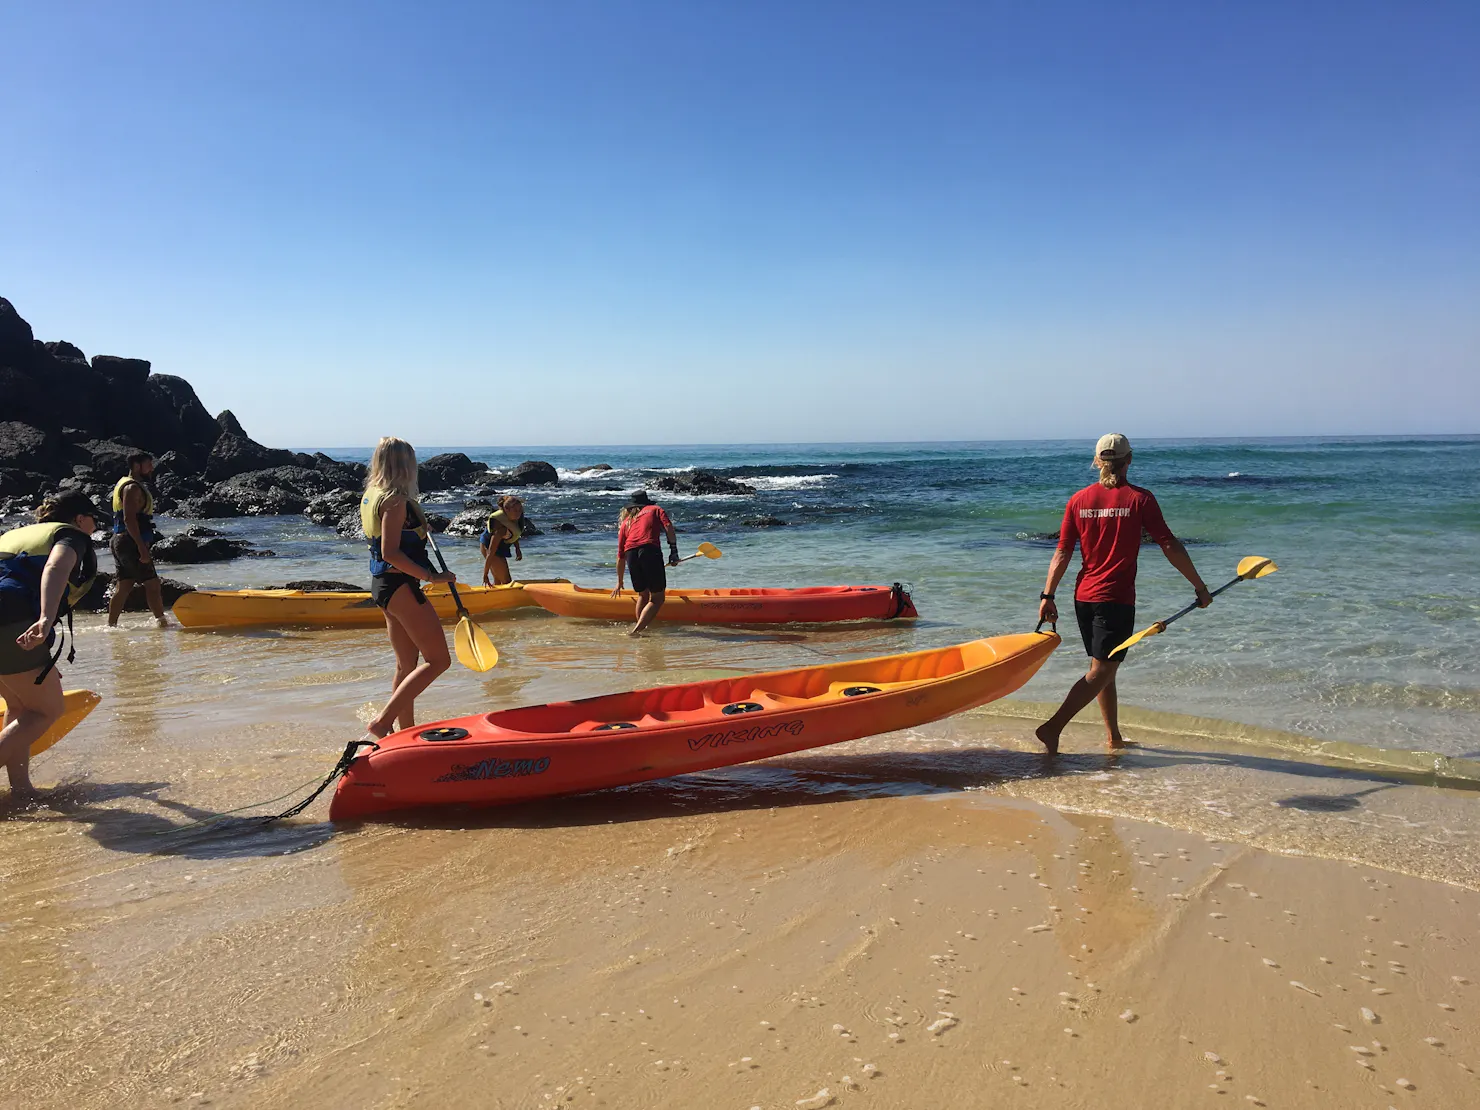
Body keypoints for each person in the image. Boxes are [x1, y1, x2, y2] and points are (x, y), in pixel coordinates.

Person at [1035, 434, 1212, 754]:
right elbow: (1169, 545)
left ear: (1097, 462)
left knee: (1103, 668)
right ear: (1129, 460)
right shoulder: (1140, 499)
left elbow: (1062, 552)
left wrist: (1047, 596)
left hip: (1083, 598)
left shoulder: (1078, 499)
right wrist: (1199, 587)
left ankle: (1113, 737)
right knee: (1102, 669)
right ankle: (1052, 727)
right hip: (1114, 599)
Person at [0, 492, 101, 799]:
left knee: (19, 706)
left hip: (7, 622)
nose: (95, 528)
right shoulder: (71, 537)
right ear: (79, 519)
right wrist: (45, 619)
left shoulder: (13, 535)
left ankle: (20, 789)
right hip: (11, 620)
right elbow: (55, 569)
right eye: (93, 520)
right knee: (47, 709)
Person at [359, 437, 456, 738]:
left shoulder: (372, 494)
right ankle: (383, 721)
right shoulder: (396, 501)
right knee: (439, 660)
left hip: (383, 586)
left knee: (406, 665)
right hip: (401, 586)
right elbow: (391, 552)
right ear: (405, 465)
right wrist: (432, 577)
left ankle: (404, 732)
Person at [107, 451, 169, 628]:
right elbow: (129, 519)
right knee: (153, 584)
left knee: (124, 585)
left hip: (120, 541)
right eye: (148, 464)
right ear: (136, 466)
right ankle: (162, 623)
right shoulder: (132, 487)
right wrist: (141, 548)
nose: (152, 468)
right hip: (130, 542)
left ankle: (111, 626)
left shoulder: (128, 484)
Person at [611, 490, 679, 636]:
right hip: (649, 550)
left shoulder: (625, 523)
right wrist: (673, 551)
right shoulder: (656, 509)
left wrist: (619, 581)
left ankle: (642, 629)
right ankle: (636, 631)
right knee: (657, 598)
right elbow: (668, 528)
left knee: (643, 595)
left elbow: (620, 555)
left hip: (631, 555)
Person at [479, 495, 525, 586]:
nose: (518, 513)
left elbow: (514, 533)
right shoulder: (501, 528)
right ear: (506, 509)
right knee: (507, 581)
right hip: (488, 546)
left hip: (499, 546)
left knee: (498, 580)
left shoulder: (514, 518)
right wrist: (485, 574)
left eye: (520, 510)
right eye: (515, 510)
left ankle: (494, 597)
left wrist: (517, 549)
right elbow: (491, 552)